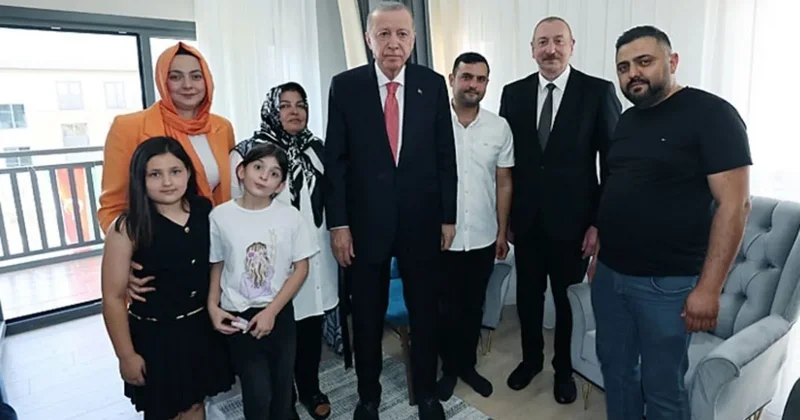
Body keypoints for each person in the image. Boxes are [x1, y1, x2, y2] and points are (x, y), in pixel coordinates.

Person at [590, 25, 751, 420]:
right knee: (617, 373)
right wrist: (600, 251)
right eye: (623, 67)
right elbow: (617, 188)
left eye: (644, 61)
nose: (633, 73)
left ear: (672, 61)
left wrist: (709, 288)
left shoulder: (712, 115)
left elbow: (735, 205)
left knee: (662, 388)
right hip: (611, 277)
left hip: (667, 286)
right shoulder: (627, 120)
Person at [324, 2, 457, 419]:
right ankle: (369, 397)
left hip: (422, 222)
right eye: (384, 34)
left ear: (413, 39)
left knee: (425, 312)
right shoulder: (345, 87)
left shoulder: (432, 85)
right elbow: (336, 162)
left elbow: (445, 157)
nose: (393, 43)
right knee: (366, 317)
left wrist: (448, 217)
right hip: (365, 226)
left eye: (402, 34)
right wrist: (339, 224)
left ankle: (427, 394)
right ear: (369, 39)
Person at [498, 16, 622, 403]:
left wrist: (599, 225)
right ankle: (531, 359)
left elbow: (612, 165)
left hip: (575, 224)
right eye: (542, 42)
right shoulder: (513, 93)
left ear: (572, 46)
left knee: (567, 302)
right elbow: (506, 164)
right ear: (532, 49)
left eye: (558, 41)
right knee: (528, 297)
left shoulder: (597, 92)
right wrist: (507, 218)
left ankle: (564, 369)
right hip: (526, 222)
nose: (550, 50)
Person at [101, 136, 234, 420]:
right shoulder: (127, 226)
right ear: (140, 178)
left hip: (199, 329)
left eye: (175, 171)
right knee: (164, 410)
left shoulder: (204, 211)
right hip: (156, 338)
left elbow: (217, 261)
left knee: (195, 403)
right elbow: (112, 297)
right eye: (155, 174)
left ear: (188, 172)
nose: (167, 182)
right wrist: (125, 355)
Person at [230, 82, 338, 420]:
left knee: (309, 325)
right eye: (285, 105)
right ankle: (284, 399)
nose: (294, 111)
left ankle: (310, 387)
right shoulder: (248, 153)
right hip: (271, 259)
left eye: (300, 104)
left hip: (314, 254)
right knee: (279, 331)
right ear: (271, 110)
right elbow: (236, 211)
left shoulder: (317, 149)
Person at [98, 42, 236, 301]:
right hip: (156, 255)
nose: (188, 85)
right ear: (162, 81)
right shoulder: (129, 127)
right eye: (176, 76)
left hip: (207, 247)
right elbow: (112, 205)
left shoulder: (221, 127)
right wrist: (124, 261)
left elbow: (222, 195)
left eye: (196, 76)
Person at [208, 143, 319, 420]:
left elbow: (301, 268)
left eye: (274, 173)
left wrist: (271, 312)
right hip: (239, 317)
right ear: (241, 171)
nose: (264, 176)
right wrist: (212, 305)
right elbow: (217, 263)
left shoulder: (290, 217)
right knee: (257, 394)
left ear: (280, 186)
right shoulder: (220, 216)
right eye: (258, 167)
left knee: (282, 393)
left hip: (279, 313)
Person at [436, 52, 513, 401]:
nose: (473, 85)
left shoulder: (499, 128)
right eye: (466, 77)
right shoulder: (433, 123)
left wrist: (502, 231)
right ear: (451, 79)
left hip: (482, 235)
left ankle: (467, 366)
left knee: (472, 307)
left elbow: (504, 182)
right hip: (441, 237)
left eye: (481, 79)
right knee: (443, 307)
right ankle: (448, 369)